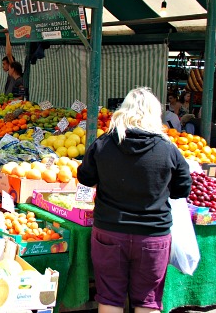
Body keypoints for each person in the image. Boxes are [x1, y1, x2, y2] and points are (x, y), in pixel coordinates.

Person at [77, 87, 191, 313]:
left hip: (110, 232)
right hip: (153, 236)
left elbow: (85, 177)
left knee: (109, 299)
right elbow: (182, 189)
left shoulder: (104, 143)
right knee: (147, 301)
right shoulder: (168, 148)